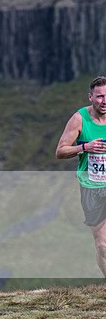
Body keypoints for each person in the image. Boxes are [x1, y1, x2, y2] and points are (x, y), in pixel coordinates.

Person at [56, 76, 106, 277]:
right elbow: (60, 151)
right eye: (100, 96)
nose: (104, 101)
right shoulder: (80, 119)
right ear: (91, 97)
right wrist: (86, 147)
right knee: (103, 246)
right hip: (92, 187)